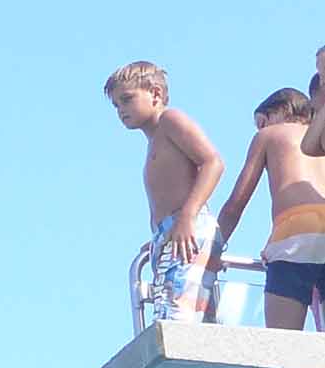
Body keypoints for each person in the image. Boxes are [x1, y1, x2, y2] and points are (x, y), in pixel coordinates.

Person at [105, 61, 225, 323]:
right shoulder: (153, 141)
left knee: (176, 316)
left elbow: (213, 162)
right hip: (170, 233)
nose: (121, 110)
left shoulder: (170, 121)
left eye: (127, 99)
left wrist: (187, 217)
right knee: (178, 312)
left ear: (156, 93)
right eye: (116, 105)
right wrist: (159, 236)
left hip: (188, 227)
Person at [216, 88, 325, 330]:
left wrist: (212, 249)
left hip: (294, 233)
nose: (259, 129)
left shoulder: (269, 136)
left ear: (282, 110)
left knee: (281, 342)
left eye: (261, 122)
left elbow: (235, 205)